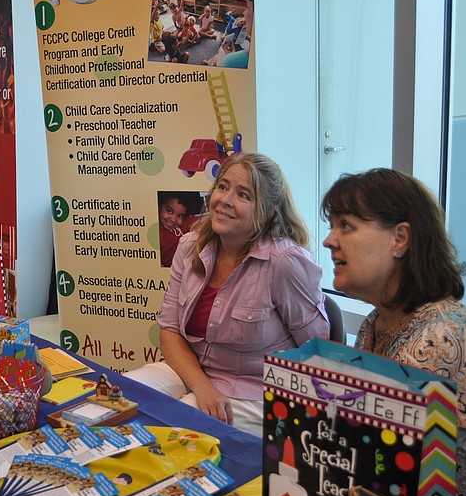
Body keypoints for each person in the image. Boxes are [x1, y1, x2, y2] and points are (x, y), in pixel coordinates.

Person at [321, 168, 466, 496]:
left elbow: (385, 470)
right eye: (332, 225)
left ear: (400, 239)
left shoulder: (439, 340)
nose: (330, 240)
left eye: (345, 225)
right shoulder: (377, 321)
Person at [126, 153, 329, 437]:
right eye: (223, 187)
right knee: (118, 400)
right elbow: (170, 329)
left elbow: (316, 351)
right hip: (193, 373)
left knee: (173, 432)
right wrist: (203, 388)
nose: (225, 200)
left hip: (256, 390)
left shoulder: (285, 261)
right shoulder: (190, 245)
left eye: (243, 194)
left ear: (269, 212)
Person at [158, 191, 201, 267]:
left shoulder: (187, 221)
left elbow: (201, 227)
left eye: (180, 216)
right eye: (169, 211)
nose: (173, 219)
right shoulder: (155, 230)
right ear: (160, 207)